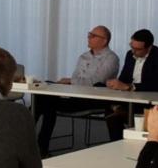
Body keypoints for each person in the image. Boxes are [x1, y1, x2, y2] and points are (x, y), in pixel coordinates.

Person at [34, 25, 119, 155]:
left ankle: (33, 144)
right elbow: (76, 78)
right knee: (42, 97)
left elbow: (96, 82)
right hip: (75, 95)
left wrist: (70, 81)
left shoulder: (111, 58)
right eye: (89, 34)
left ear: (104, 41)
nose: (89, 37)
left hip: (93, 99)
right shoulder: (83, 56)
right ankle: (39, 145)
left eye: (93, 36)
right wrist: (71, 82)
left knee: (46, 103)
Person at [104, 29, 158, 140]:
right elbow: (124, 78)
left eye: (138, 49)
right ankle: (117, 144)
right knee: (111, 114)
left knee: (118, 115)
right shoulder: (129, 54)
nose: (133, 51)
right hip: (130, 99)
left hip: (149, 103)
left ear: (149, 48)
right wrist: (115, 84)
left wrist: (131, 87)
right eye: (132, 47)